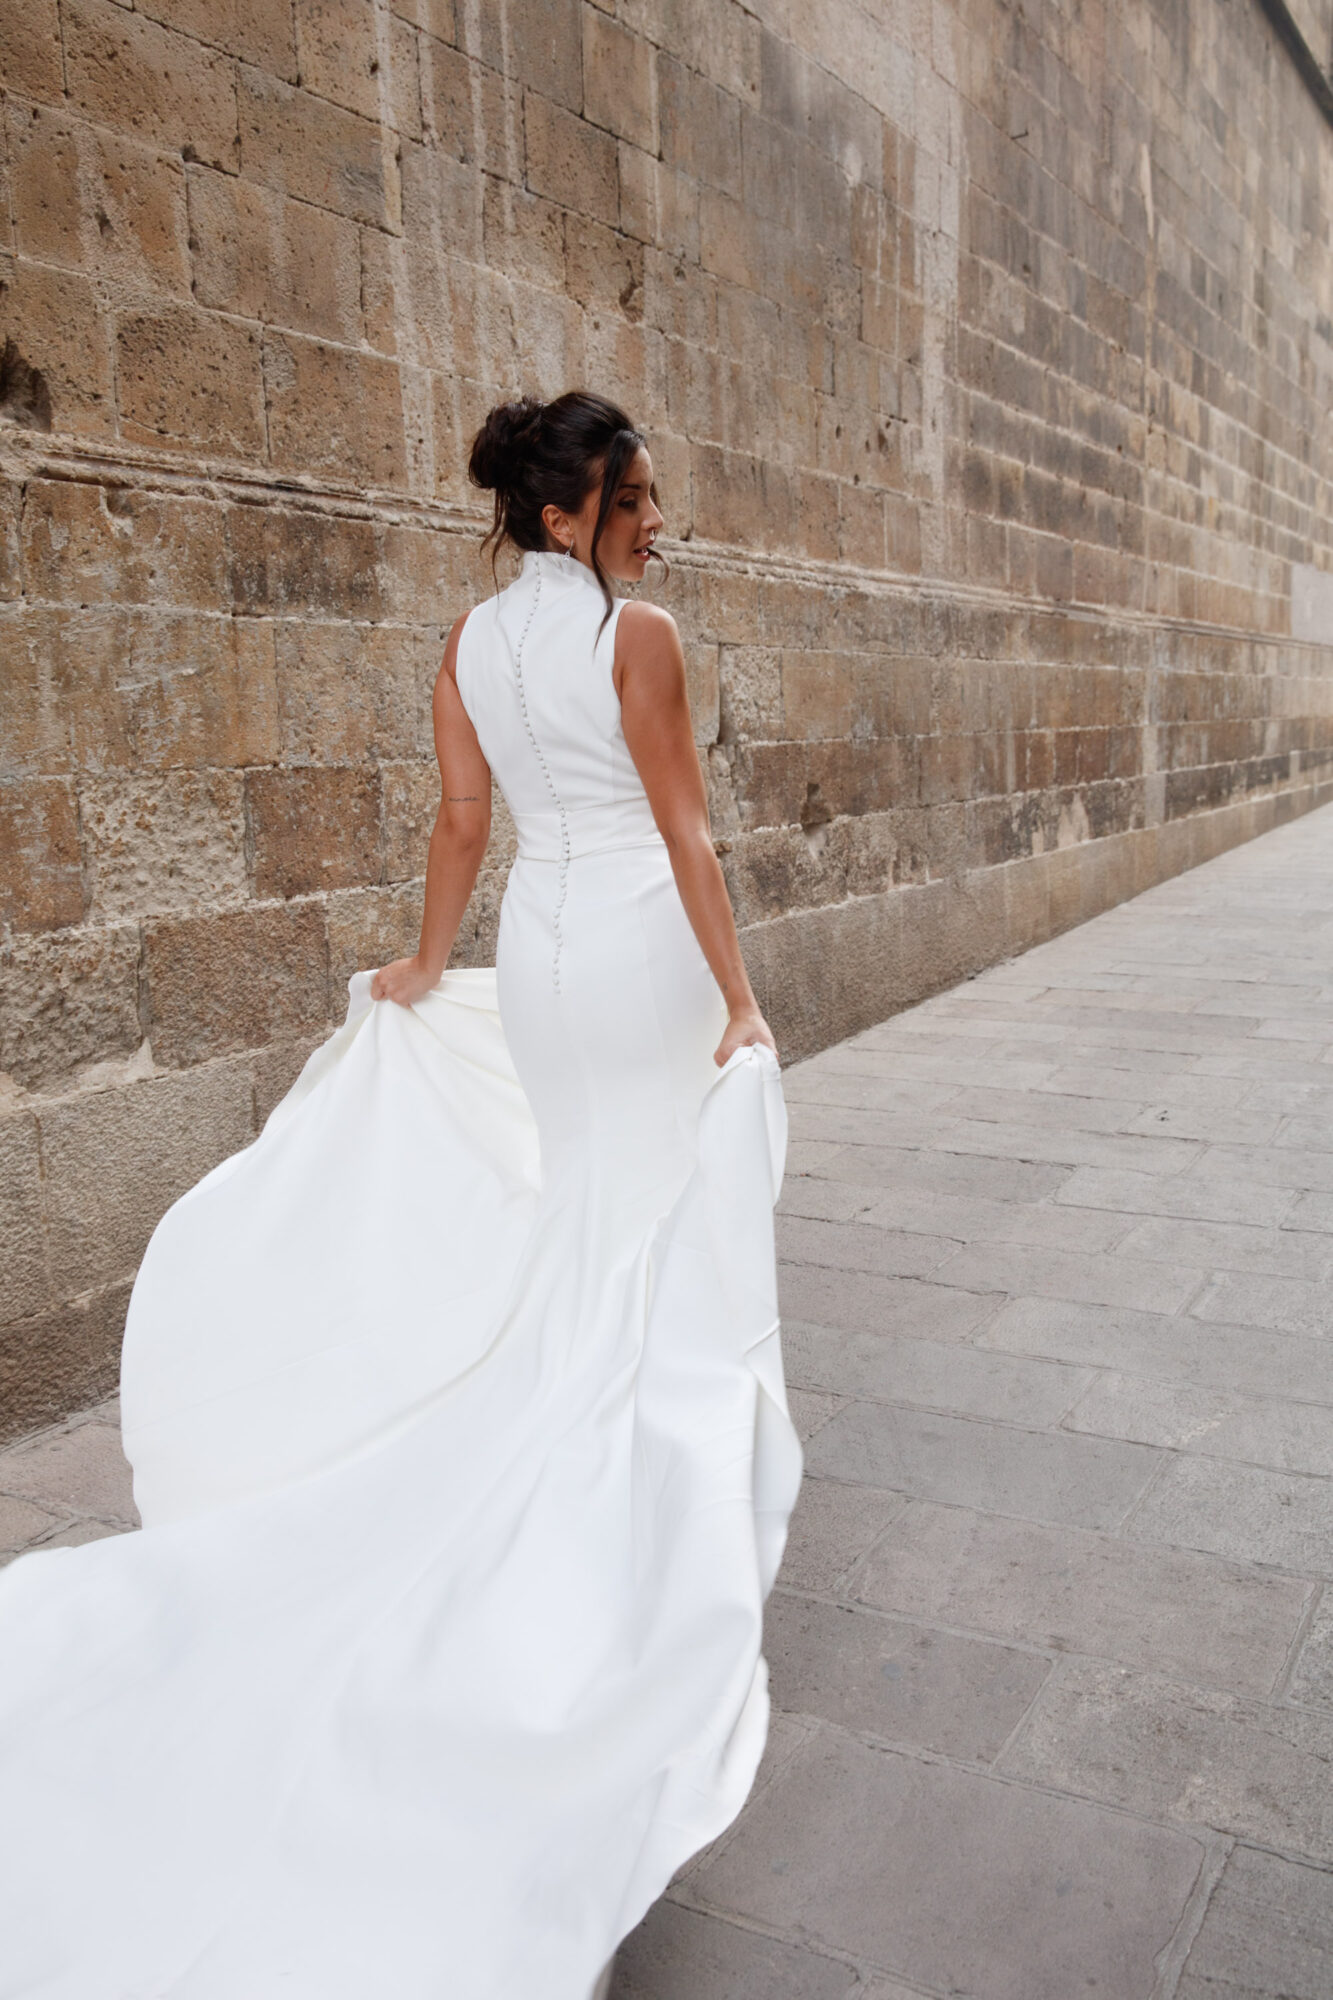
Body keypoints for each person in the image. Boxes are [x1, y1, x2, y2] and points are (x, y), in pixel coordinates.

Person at [0, 391, 802, 2000]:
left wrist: (436, 963)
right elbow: (686, 826)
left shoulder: (465, 642)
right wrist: (740, 1000)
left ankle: (591, 1428)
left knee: (595, 1211)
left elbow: (459, 821)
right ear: (567, 510)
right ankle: (639, 1506)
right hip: (639, 949)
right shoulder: (633, 635)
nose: (657, 519)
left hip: (546, 959)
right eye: (635, 496)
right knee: (658, 1221)